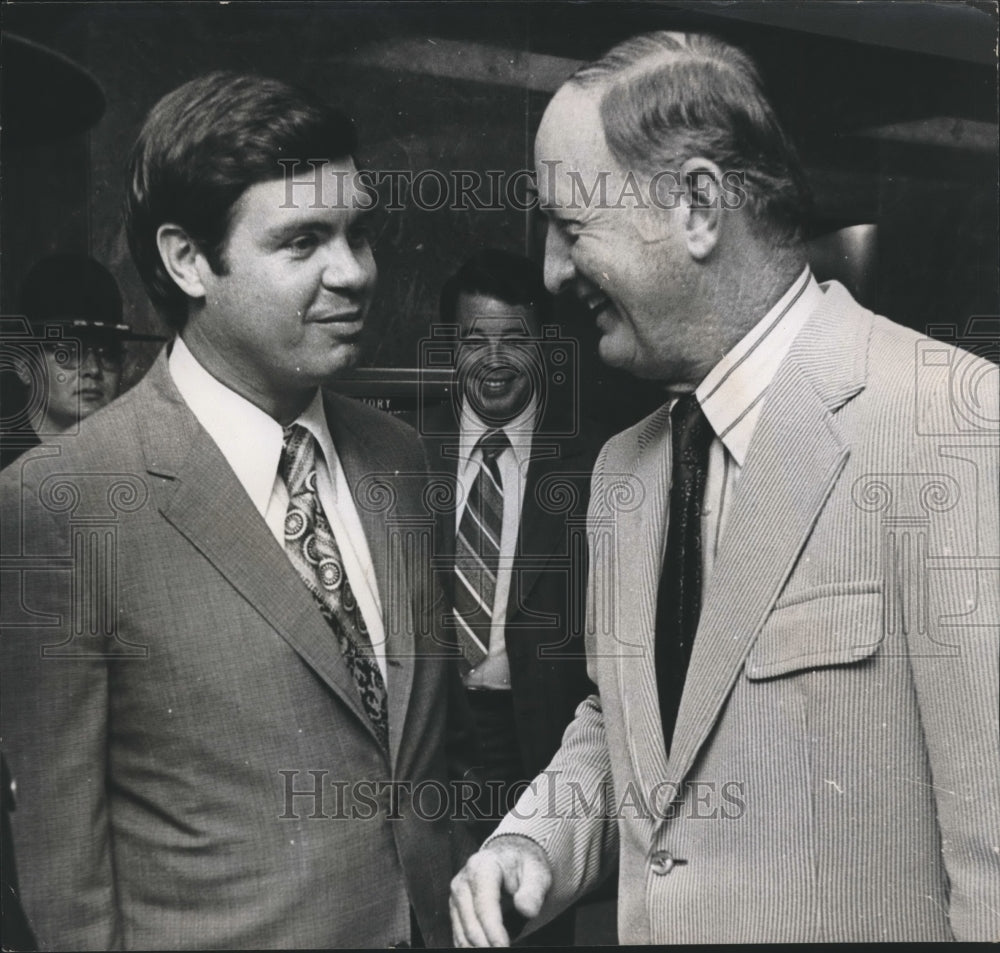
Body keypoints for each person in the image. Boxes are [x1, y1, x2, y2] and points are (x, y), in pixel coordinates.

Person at [450, 31, 999, 945]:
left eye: (571, 225)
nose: (549, 270)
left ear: (699, 205)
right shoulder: (622, 474)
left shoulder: (955, 427)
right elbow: (632, 730)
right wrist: (538, 842)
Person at [1, 71, 474, 950]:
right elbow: (65, 881)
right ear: (188, 261)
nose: (354, 272)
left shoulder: (399, 460)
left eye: (358, 233)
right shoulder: (64, 504)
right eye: (302, 242)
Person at [423, 250, 600, 945]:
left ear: (544, 348)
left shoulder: (592, 465)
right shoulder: (402, 452)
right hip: (433, 742)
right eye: (474, 339)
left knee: (527, 920)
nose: (494, 361)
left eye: (515, 339)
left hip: (542, 748)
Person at [0, 254, 159, 470]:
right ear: (23, 365)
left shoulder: (138, 465)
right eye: (68, 353)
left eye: (108, 353)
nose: (93, 369)